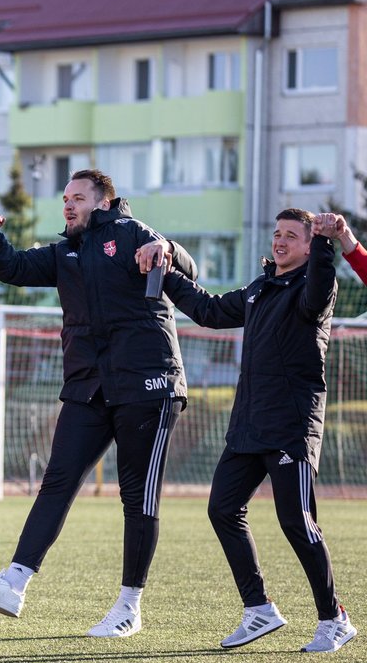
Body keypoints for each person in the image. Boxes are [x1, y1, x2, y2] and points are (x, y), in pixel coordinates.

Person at [0, 168, 197, 638]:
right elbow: (14, 269)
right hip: (90, 386)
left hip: (149, 383)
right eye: (65, 198)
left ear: (103, 202)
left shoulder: (131, 233)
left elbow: (186, 264)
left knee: (136, 497)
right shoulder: (65, 251)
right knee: (56, 482)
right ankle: (14, 583)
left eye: (78, 198)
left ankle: (130, 606)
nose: (68, 205)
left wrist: (167, 249)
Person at [162, 209, 356, 653]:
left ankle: (334, 619)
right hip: (249, 424)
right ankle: (259, 609)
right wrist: (167, 271)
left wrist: (327, 242)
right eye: (277, 234)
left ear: (308, 246)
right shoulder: (259, 289)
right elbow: (208, 311)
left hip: (291, 425)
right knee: (223, 509)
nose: (280, 242)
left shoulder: (314, 288)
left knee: (296, 523)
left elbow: (318, 291)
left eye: (292, 236)